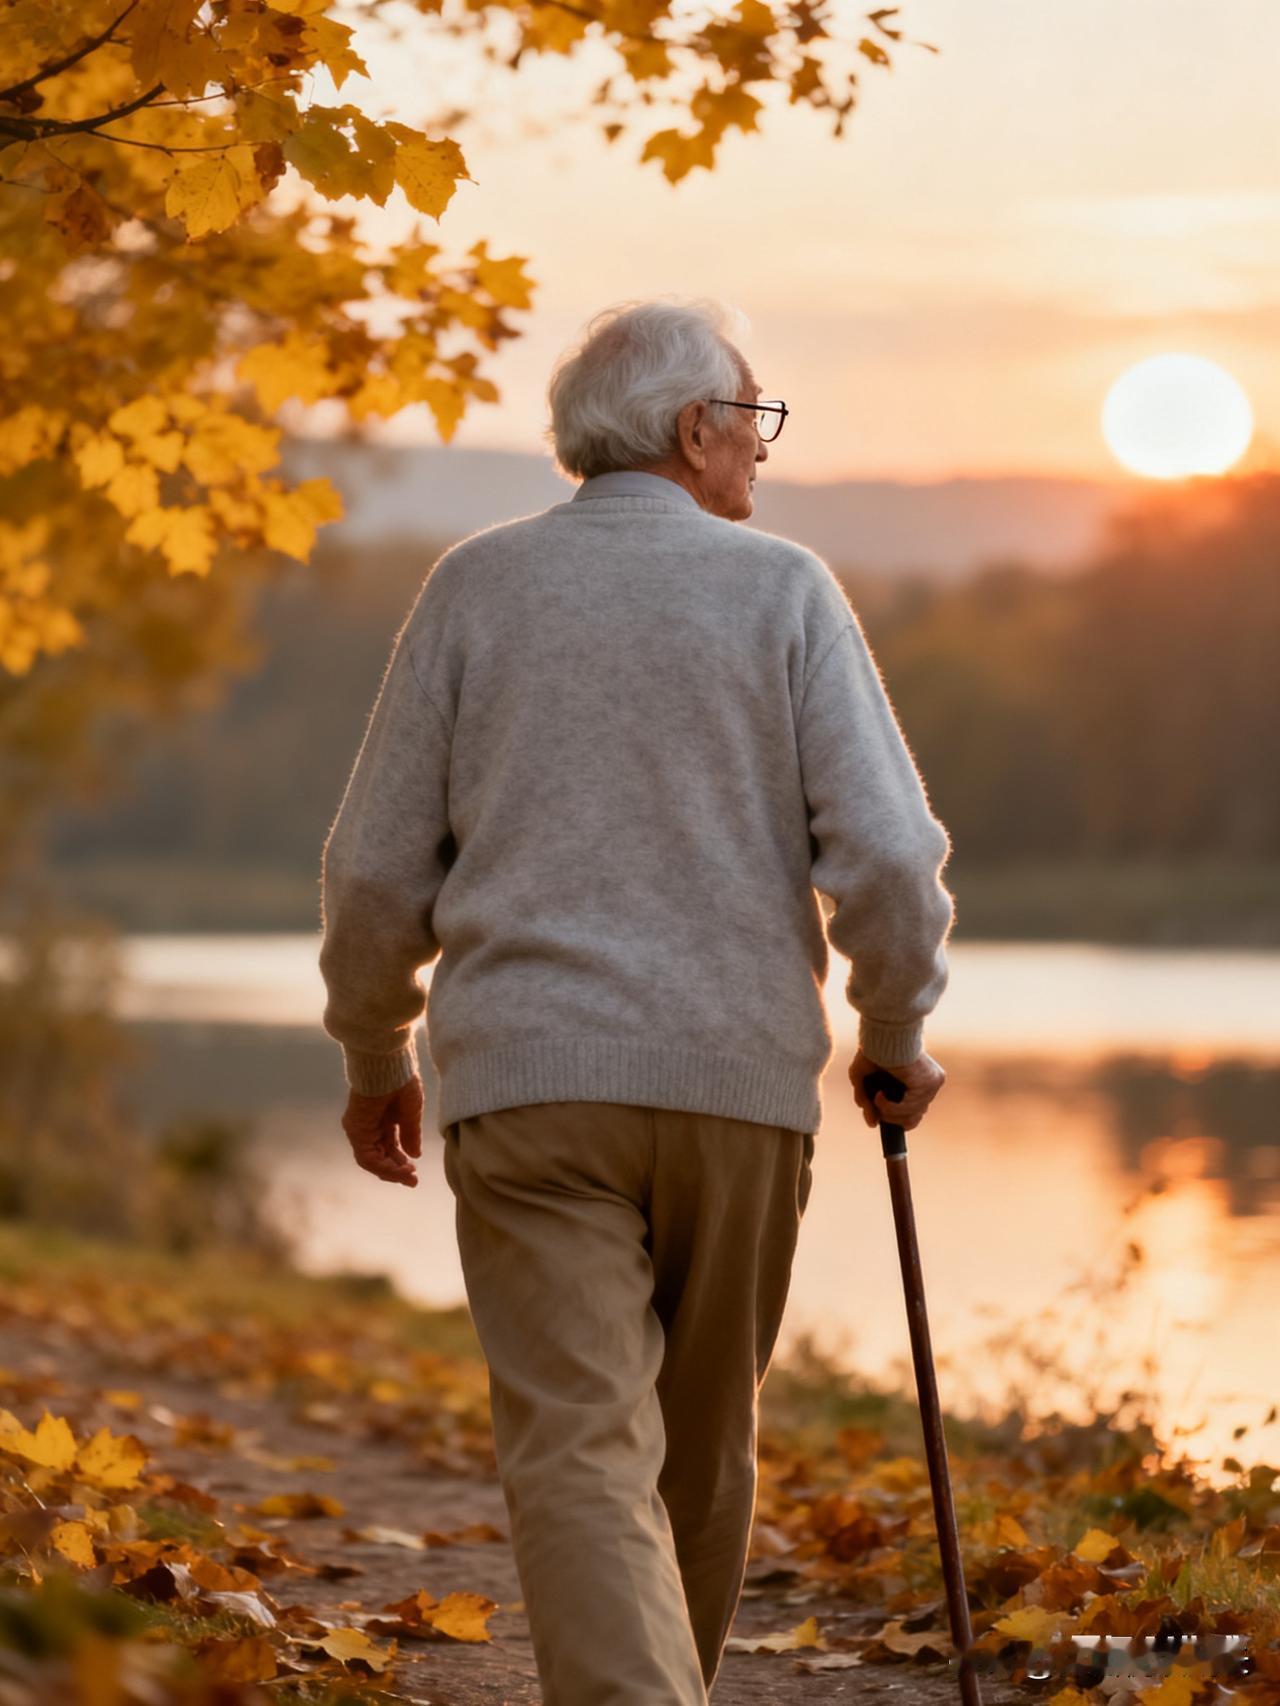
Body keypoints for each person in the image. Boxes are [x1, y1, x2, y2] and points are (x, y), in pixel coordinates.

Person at [318, 296, 954, 1704]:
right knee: (698, 1447)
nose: (762, 456)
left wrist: (375, 1050)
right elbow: (895, 858)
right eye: (754, 421)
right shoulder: (785, 591)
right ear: (691, 430)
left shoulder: (475, 589)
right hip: (737, 1089)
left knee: (579, 1444)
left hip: (532, 1087)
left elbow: (371, 871)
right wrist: (895, 1034)